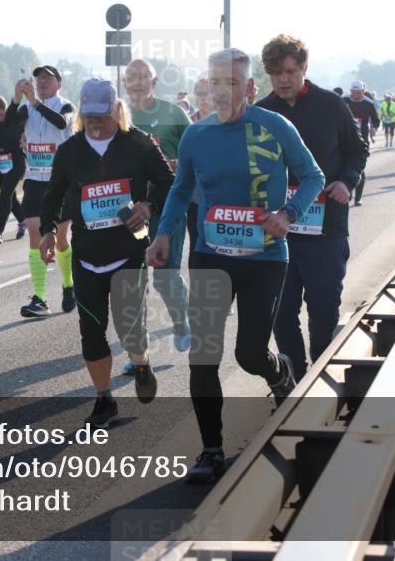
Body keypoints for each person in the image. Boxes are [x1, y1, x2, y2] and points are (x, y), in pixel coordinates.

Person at [148, 48, 325, 484]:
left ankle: (278, 372)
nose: (221, 92)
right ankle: (211, 450)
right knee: (204, 357)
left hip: (265, 258)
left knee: (249, 354)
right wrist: (164, 233)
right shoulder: (196, 135)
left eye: (231, 83)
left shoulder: (274, 126)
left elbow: (314, 177)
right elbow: (180, 190)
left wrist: (288, 214)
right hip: (211, 255)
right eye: (215, 82)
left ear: (249, 87)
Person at [40, 79, 174, 427]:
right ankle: (104, 399)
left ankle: (141, 362)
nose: (95, 122)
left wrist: (147, 205)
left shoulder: (138, 143)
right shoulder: (69, 151)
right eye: (89, 115)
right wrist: (47, 231)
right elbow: (53, 195)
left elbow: (168, 182)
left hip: (129, 251)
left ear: (117, 110)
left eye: (102, 115)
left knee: (130, 327)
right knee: (91, 330)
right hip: (87, 255)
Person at [257, 34, 368, 381]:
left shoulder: (331, 105)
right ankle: (293, 380)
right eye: (276, 73)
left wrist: (346, 181)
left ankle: (319, 376)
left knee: (323, 311)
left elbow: (358, 150)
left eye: (290, 71)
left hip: (325, 228)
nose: (283, 79)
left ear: (304, 67)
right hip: (277, 233)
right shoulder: (261, 112)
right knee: (281, 313)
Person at [124, 59, 191, 361]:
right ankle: (138, 353)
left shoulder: (174, 114)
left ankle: (180, 319)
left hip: (167, 206)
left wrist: (175, 165)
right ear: (125, 83)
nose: (137, 82)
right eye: (132, 77)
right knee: (133, 281)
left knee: (164, 277)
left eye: (143, 77)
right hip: (130, 211)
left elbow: (196, 152)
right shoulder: (119, 116)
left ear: (154, 82)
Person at [7, 65, 76, 318]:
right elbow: (8, 124)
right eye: (39, 79)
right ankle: (40, 298)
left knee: (59, 239)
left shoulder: (66, 106)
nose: (42, 82)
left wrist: (35, 102)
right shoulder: (27, 108)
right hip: (34, 180)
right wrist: (16, 100)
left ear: (59, 83)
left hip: (60, 183)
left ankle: (68, 285)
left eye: (48, 78)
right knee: (35, 236)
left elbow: (60, 122)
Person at [0, 95, 27, 240]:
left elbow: (30, 126)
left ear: (5, 109)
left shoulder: (15, 118)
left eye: (1, 114)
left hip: (16, 162)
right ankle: (23, 220)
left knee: (5, 194)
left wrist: (25, 141)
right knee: (9, 196)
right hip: (0, 164)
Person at [186, 78, 212, 268]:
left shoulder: (228, 122)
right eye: (200, 93)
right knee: (196, 248)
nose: (203, 98)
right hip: (195, 199)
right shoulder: (187, 123)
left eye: (207, 93)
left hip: (222, 199)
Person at [343, 80, 379, 207]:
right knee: (344, 168)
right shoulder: (344, 101)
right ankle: (348, 193)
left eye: (359, 93)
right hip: (345, 140)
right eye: (354, 92)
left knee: (359, 170)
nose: (356, 95)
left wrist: (374, 128)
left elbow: (376, 120)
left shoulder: (368, 104)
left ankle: (358, 198)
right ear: (350, 91)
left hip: (361, 141)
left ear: (363, 91)